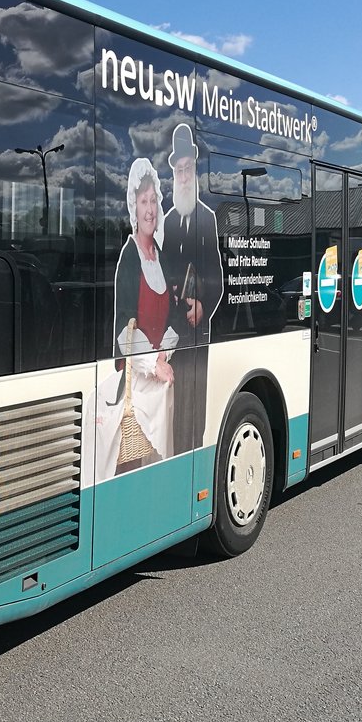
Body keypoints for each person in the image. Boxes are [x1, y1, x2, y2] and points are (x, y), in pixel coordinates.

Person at [99, 158, 178, 478]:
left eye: (154, 201)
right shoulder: (128, 259)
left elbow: (176, 320)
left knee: (161, 466)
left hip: (162, 387)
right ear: (134, 207)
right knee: (133, 467)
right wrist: (151, 363)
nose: (150, 209)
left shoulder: (163, 258)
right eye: (143, 201)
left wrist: (166, 354)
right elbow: (122, 329)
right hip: (137, 391)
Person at [160, 122, 223, 453]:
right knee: (174, 406)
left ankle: (196, 455)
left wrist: (204, 306)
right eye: (178, 170)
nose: (183, 176)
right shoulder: (168, 221)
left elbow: (218, 278)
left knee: (195, 405)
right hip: (174, 330)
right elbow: (163, 272)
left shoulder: (207, 219)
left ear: (195, 171)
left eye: (188, 169)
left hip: (199, 333)